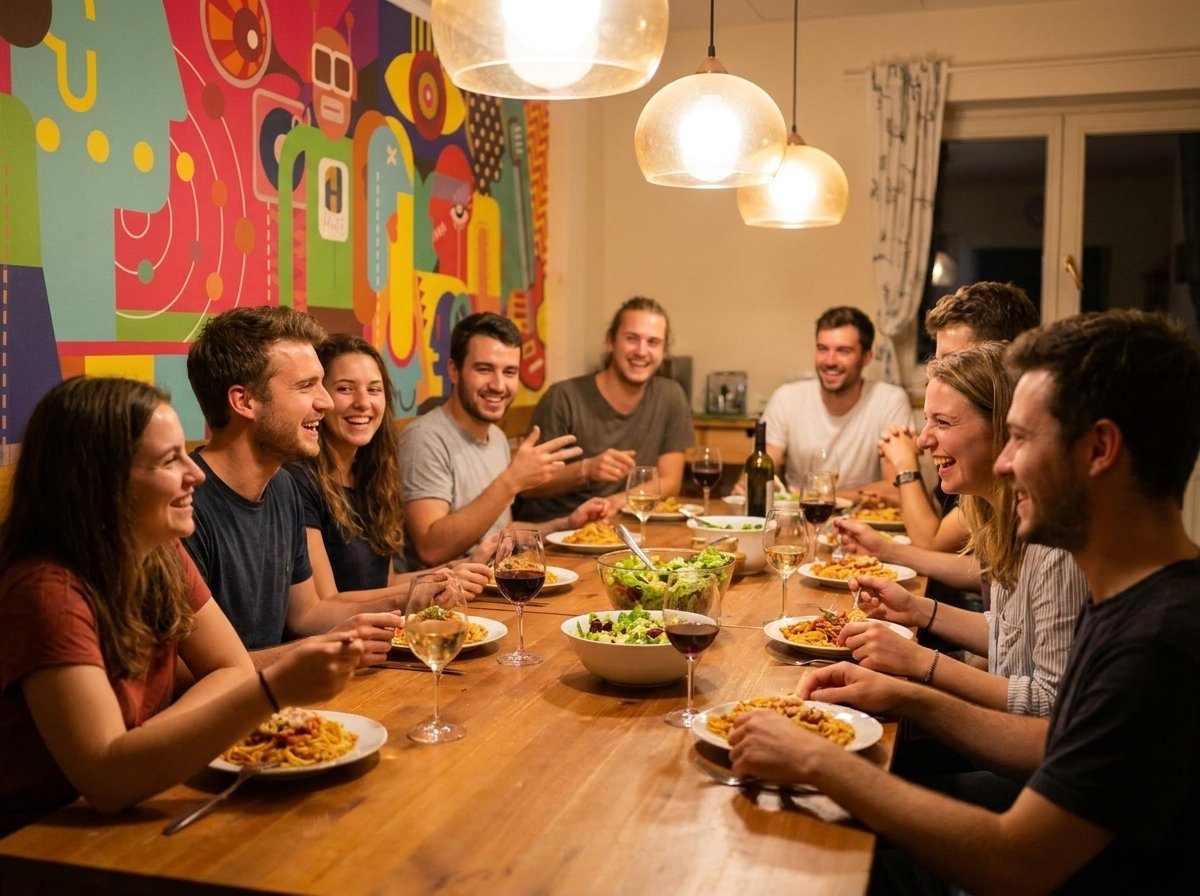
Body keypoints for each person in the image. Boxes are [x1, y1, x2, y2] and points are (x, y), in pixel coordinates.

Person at [729, 310, 1200, 893]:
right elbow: (1056, 740)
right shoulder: (1136, 598)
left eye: (1022, 438)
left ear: (1099, 449)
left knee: (799, 861)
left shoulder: (1161, 642)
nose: (1004, 462)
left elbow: (1015, 862)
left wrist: (818, 761)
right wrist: (909, 695)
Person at [0, 377, 362, 834]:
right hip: (44, 843)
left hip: (146, 798)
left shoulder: (160, 552)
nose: (197, 474)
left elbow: (229, 667)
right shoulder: (48, 592)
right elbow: (107, 781)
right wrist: (272, 692)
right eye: (170, 460)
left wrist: (143, 749)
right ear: (103, 481)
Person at [837, 343, 1089, 717]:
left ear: (1001, 429)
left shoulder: (1053, 543)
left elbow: (1050, 706)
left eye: (942, 422)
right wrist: (915, 609)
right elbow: (1008, 634)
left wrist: (921, 662)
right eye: (926, 421)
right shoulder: (998, 519)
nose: (923, 440)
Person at [184, 306, 403, 664]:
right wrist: (315, 651)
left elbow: (306, 616)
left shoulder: (282, 486)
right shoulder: (183, 506)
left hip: (280, 705)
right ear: (244, 401)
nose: (326, 401)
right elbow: (180, 673)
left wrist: (405, 600)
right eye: (305, 386)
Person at [285, 335, 490, 599]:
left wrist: (460, 567)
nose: (363, 402)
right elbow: (326, 603)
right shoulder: (299, 480)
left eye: (374, 389)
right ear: (322, 397)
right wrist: (436, 583)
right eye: (345, 389)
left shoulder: (371, 473)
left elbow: (387, 581)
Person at [399, 312, 607, 568]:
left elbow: (500, 532)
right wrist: (512, 480)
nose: (498, 385)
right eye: (484, 369)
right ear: (454, 371)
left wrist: (565, 525)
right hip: (445, 599)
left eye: (509, 372)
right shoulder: (425, 438)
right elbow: (431, 548)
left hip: (495, 583)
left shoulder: (495, 437)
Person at [876, 281, 1040, 551]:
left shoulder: (1005, 455)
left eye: (952, 360)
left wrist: (906, 467)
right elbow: (939, 515)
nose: (939, 374)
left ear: (999, 356)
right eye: (938, 361)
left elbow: (931, 541)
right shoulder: (968, 450)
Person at [516, 296, 695, 520]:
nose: (641, 351)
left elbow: (670, 481)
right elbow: (528, 486)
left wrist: (618, 501)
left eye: (653, 342)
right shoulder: (563, 397)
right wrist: (586, 470)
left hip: (619, 527)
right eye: (631, 338)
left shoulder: (671, 396)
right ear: (610, 342)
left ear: (664, 351)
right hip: (553, 533)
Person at [760, 306, 911, 492]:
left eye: (843, 351)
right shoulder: (786, 398)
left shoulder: (889, 400)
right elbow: (766, 462)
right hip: (798, 516)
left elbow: (895, 487)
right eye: (822, 349)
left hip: (863, 516)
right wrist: (752, 481)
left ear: (867, 358)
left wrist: (818, 497)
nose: (830, 361)